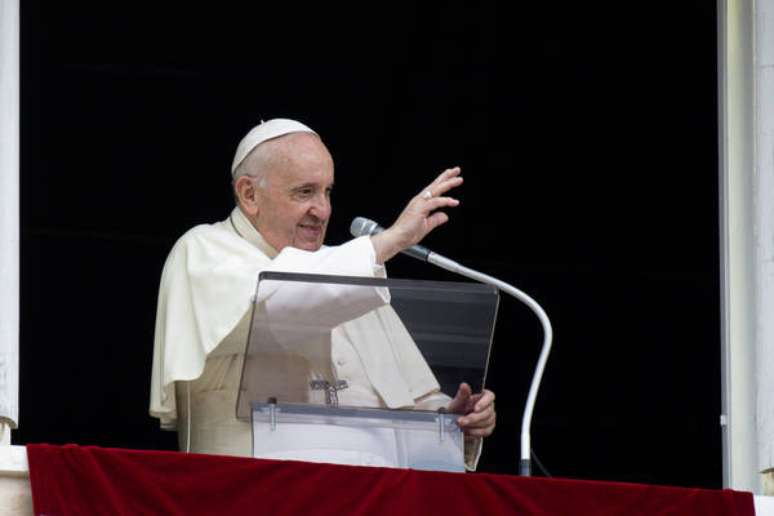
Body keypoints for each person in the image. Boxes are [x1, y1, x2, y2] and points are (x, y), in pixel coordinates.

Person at [149, 119, 495, 469]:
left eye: (327, 192)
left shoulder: (346, 272)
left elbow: (408, 417)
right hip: (256, 497)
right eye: (304, 192)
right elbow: (279, 306)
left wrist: (454, 423)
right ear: (249, 194)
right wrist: (389, 241)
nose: (323, 210)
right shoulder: (205, 250)